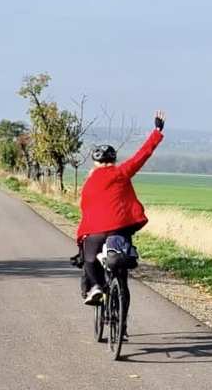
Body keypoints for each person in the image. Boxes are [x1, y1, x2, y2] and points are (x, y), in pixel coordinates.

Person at [77, 111, 166, 305]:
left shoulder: (90, 181)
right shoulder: (121, 172)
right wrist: (157, 131)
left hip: (96, 230)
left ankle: (98, 287)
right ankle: (122, 326)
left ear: (95, 162)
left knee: (89, 259)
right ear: (114, 160)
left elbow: (84, 208)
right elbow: (142, 155)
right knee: (122, 266)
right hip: (121, 228)